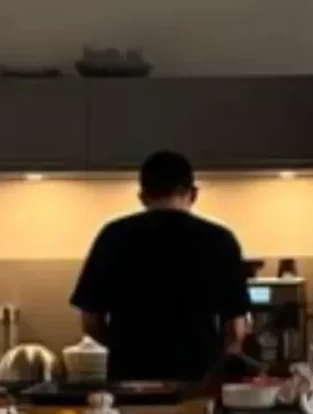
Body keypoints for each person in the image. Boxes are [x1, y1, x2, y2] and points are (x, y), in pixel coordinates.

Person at [70, 151, 250, 382]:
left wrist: (124, 350)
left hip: (130, 381)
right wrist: (214, 367)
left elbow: (90, 322)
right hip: (196, 382)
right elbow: (236, 329)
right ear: (193, 194)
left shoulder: (113, 236)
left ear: (143, 196)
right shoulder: (219, 240)